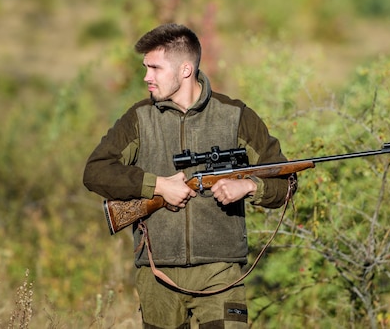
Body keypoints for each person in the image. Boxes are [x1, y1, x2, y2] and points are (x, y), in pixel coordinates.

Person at [83, 23, 294, 329]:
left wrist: (248, 186)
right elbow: (95, 171)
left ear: (185, 69)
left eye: (155, 68)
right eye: (146, 67)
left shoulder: (235, 116)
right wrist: (157, 186)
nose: (146, 77)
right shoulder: (139, 119)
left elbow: (284, 178)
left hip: (220, 273)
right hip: (159, 276)